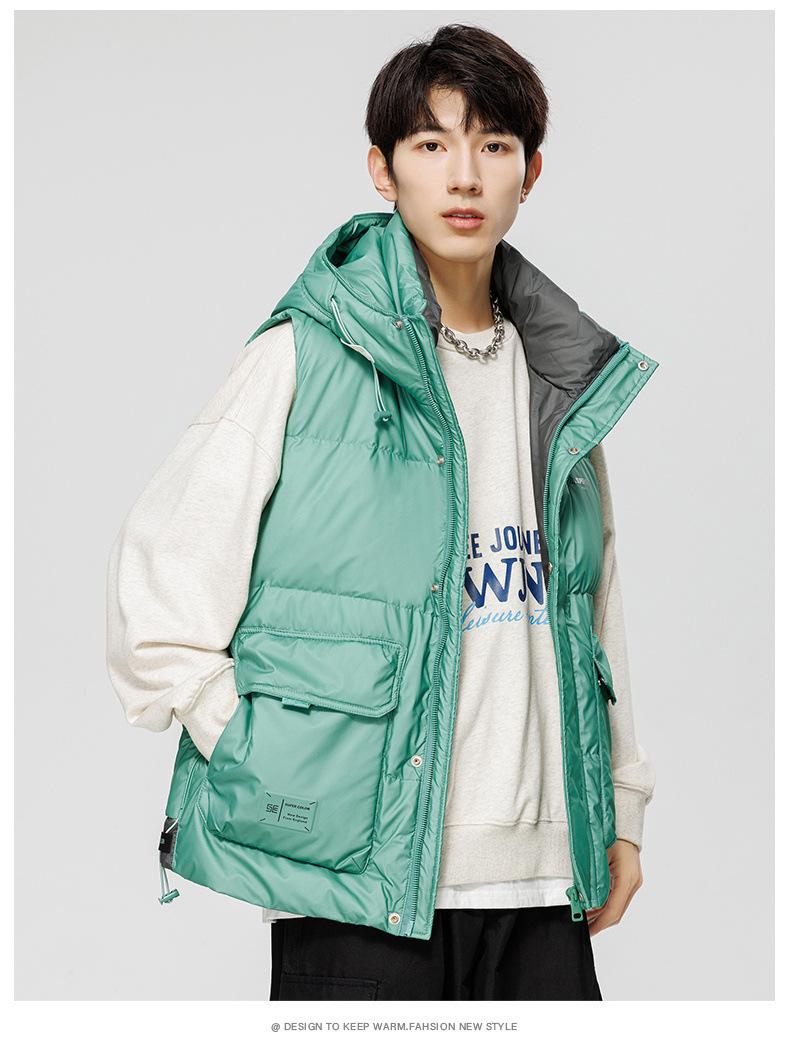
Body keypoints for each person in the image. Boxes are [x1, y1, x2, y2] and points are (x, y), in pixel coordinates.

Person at [106, 23, 657, 1001]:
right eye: (431, 143)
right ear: (382, 168)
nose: (464, 174)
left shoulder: (562, 384)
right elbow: (157, 606)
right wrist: (279, 764)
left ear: (529, 173)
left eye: (493, 145)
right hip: (357, 893)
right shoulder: (304, 357)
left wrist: (620, 802)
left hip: (543, 885)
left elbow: (591, 609)